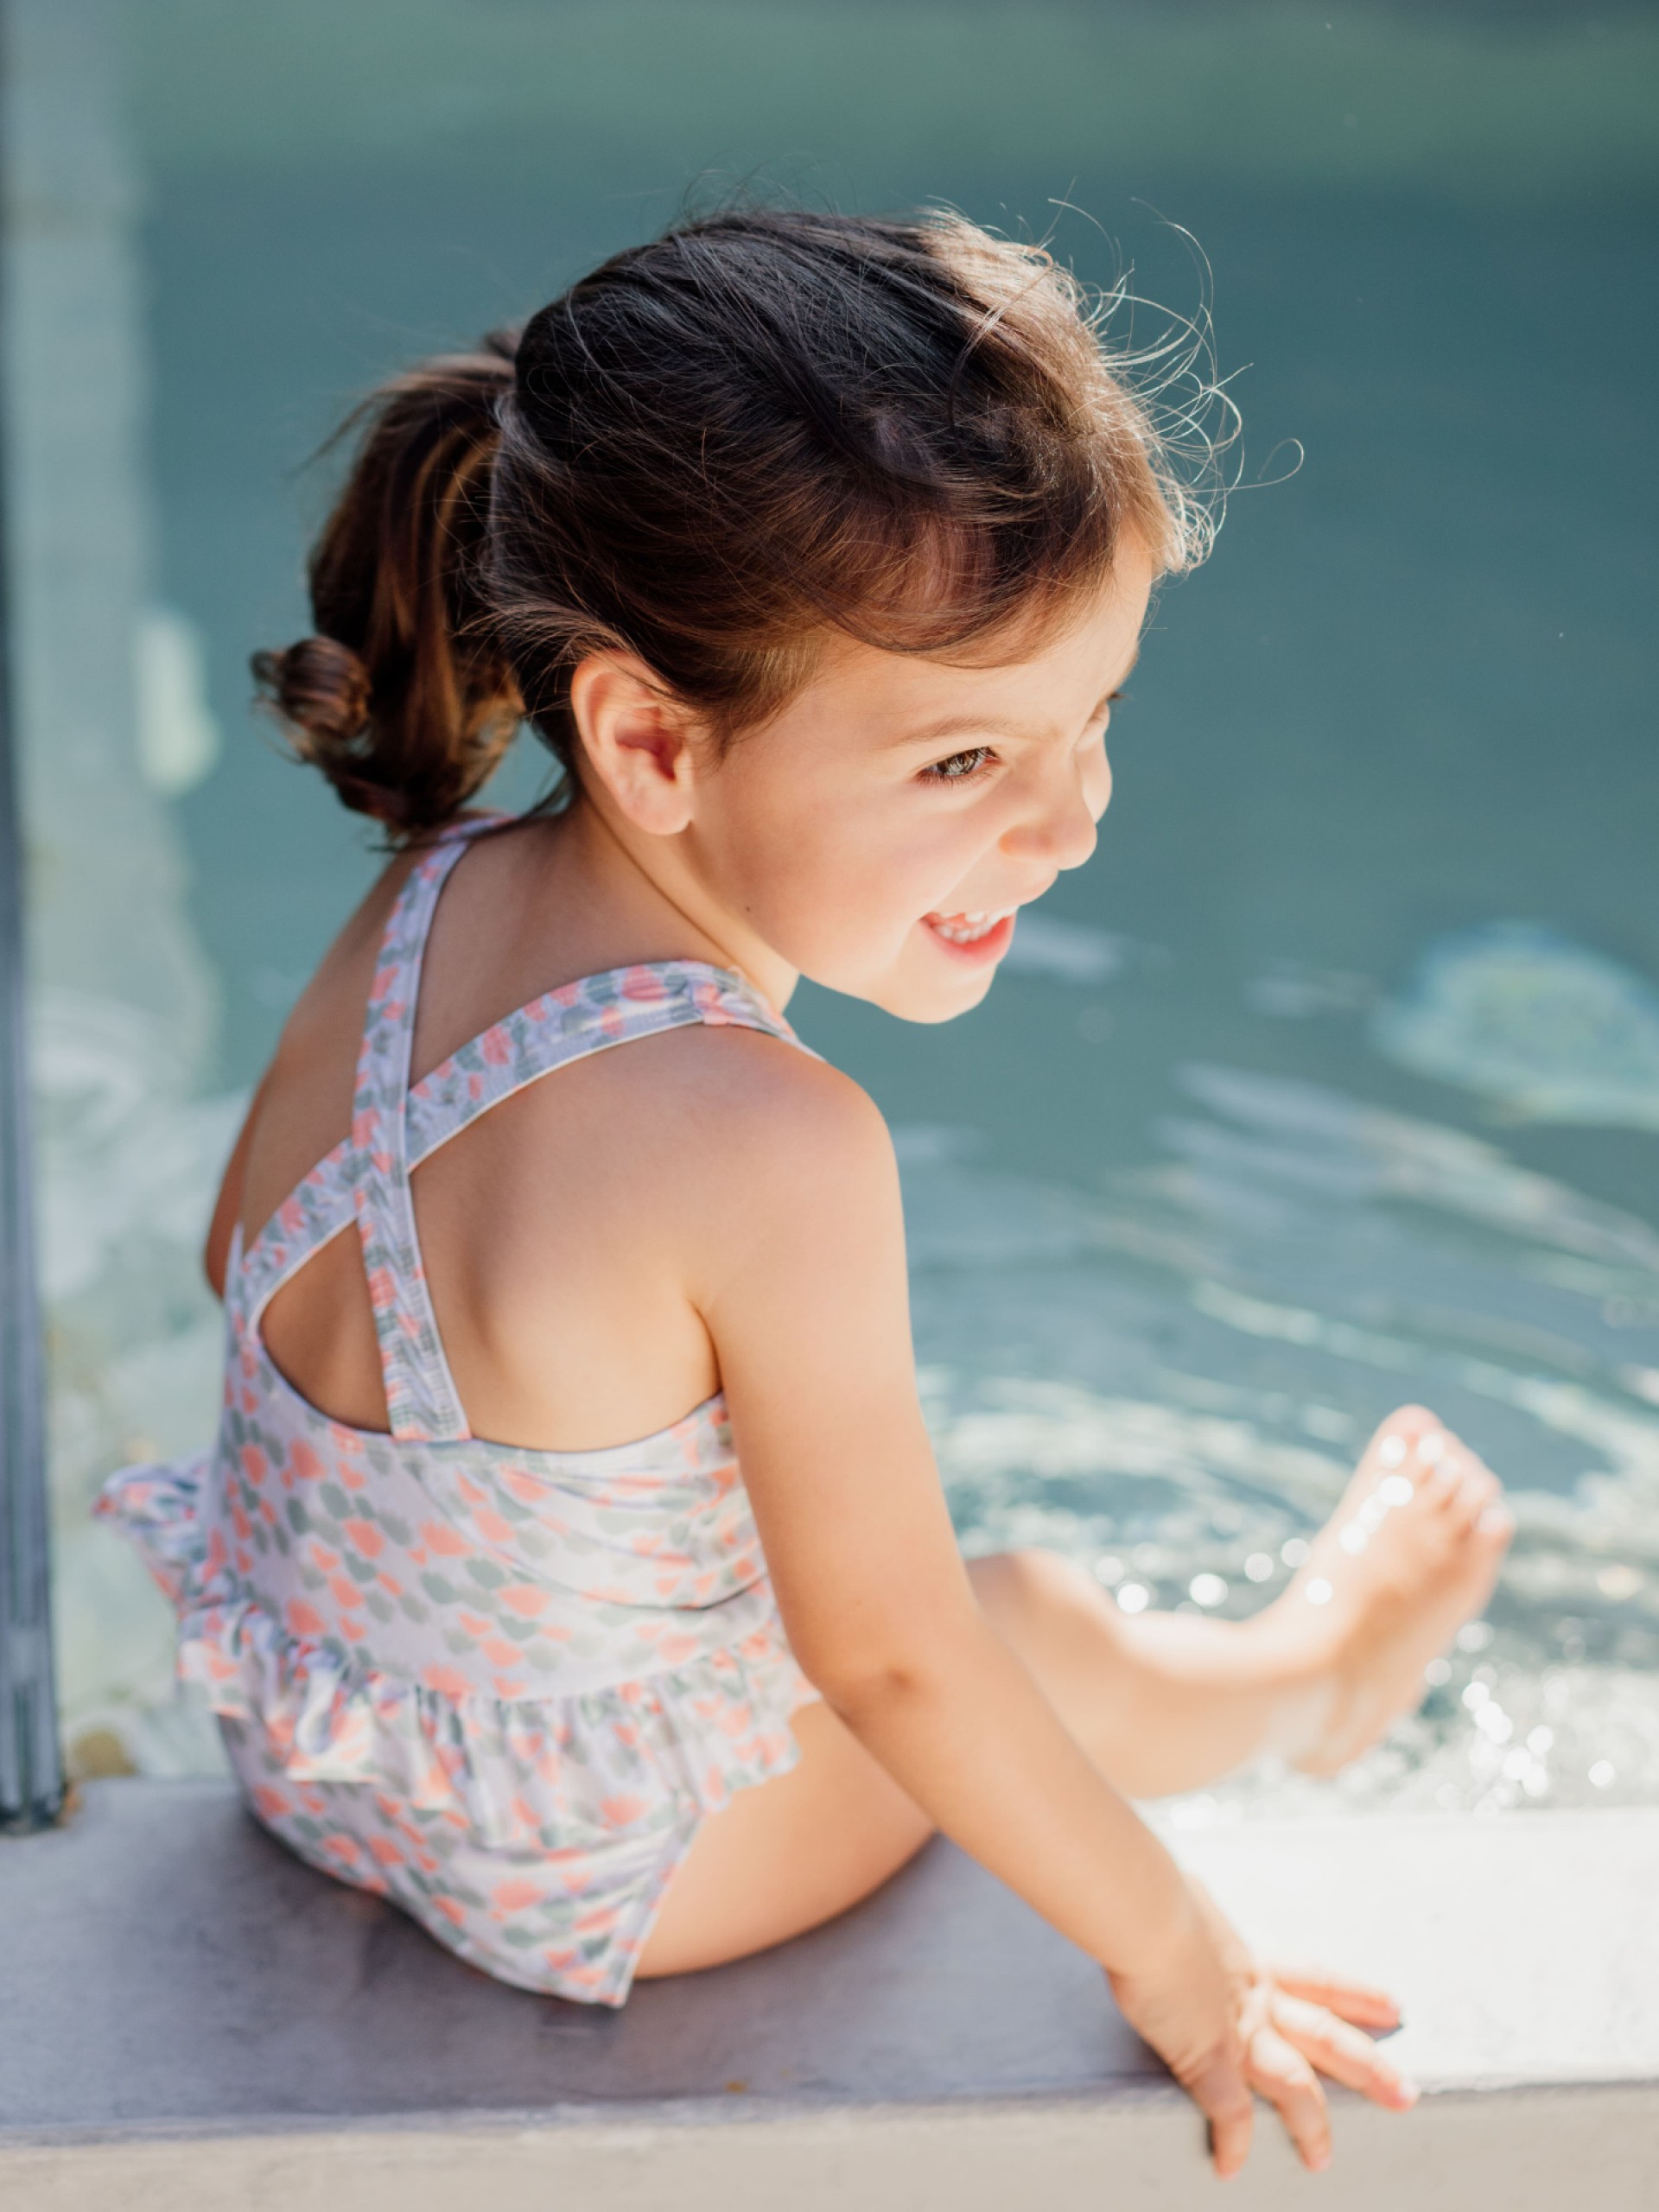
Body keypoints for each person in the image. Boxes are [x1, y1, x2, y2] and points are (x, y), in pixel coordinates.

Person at [98, 207, 1511, 2177]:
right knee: (1035, 1622)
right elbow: (895, 1657)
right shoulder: (770, 1138)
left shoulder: (420, 897)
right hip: (607, 1882)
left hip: (326, 1757)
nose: (1072, 816)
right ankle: (1317, 1671)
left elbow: (231, 1247)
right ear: (652, 735)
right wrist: (1189, 1961)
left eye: (1095, 714)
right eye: (962, 758)